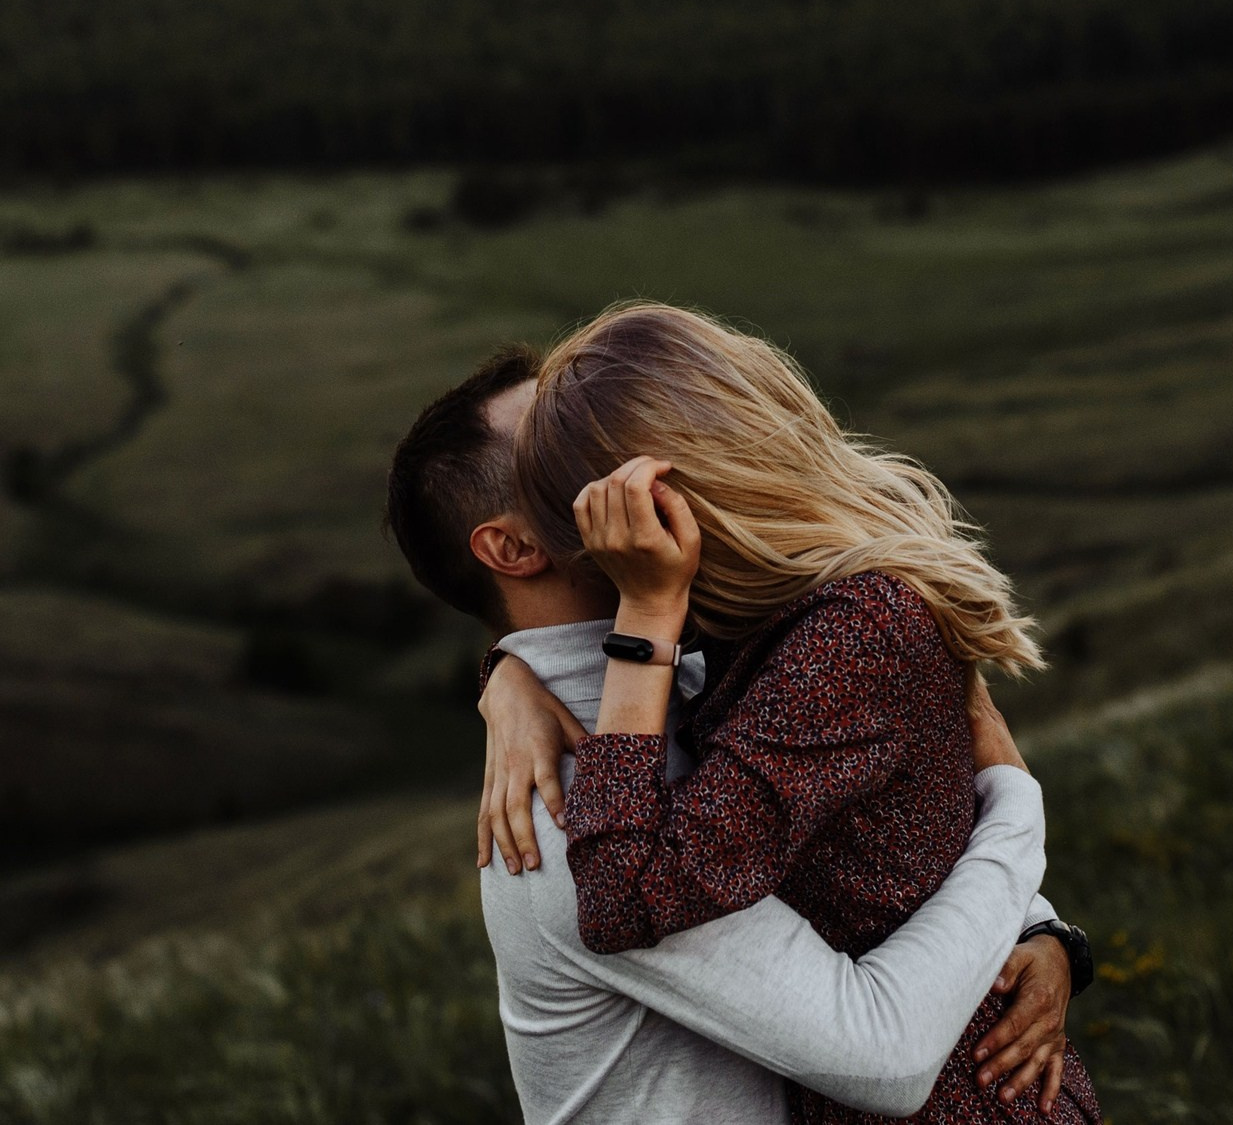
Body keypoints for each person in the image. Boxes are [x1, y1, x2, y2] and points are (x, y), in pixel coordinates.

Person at [388, 346, 1084, 1124]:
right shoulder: (557, 814)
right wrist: (1019, 815)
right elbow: (882, 1051)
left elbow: (877, 843)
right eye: (560, 446)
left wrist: (1041, 928)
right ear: (514, 548)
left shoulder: (685, 668)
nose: (624, 441)